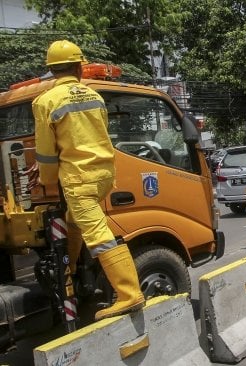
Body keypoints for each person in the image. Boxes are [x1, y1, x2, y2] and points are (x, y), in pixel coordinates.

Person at [31, 40, 145, 321]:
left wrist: (46, 178)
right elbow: (98, 133)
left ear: (51, 70)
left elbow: (46, 152)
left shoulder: (45, 102)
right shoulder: (94, 96)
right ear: (79, 68)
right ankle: (68, 270)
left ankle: (130, 294)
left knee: (99, 236)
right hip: (104, 174)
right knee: (73, 221)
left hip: (78, 179)